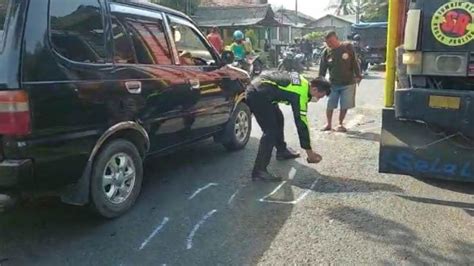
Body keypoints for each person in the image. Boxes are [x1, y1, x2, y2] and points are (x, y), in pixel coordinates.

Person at [246, 71, 332, 181]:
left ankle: (282, 151)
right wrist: (309, 152)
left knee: (279, 119)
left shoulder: (303, 81)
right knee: (270, 132)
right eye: (320, 96)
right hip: (258, 94)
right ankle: (259, 171)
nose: (318, 99)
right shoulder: (300, 94)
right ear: (314, 89)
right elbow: (301, 123)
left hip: (262, 89)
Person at [319, 31, 362, 132]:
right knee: (330, 104)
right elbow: (322, 69)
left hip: (348, 83)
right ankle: (328, 124)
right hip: (333, 84)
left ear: (336, 39)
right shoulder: (326, 52)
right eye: (327, 42)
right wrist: (320, 82)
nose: (330, 44)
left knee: (344, 105)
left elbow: (355, 62)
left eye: (331, 41)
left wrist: (358, 75)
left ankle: (340, 123)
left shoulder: (347, 47)